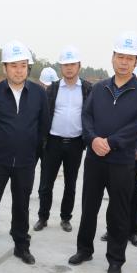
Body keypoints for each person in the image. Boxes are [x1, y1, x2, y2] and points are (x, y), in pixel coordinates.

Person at [68, 31, 137, 273]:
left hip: (122, 161)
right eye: (120, 57)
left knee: (119, 212)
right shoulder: (99, 87)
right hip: (95, 159)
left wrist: (111, 142)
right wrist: (93, 139)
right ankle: (84, 250)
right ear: (113, 57)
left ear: (136, 61)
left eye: (129, 58)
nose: (124, 62)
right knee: (89, 207)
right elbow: (86, 116)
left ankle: (115, 259)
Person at [0, 40, 49, 265]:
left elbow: (44, 126)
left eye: (23, 65)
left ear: (28, 67)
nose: (18, 70)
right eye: (13, 65)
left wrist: (30, 147)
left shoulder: (39, 93)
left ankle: (21, 246)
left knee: (22, 205)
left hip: (25, 161)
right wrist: (1, 140)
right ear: (5, 68)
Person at [34, 46, 92, 233]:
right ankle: (43, 217)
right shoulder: (53, 89)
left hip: (75, 143)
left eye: (72, 64)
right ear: (61, 67)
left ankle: (66, 218)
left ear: (79, 66)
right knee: (46, 183)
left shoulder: (87, 89)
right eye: (65, 65)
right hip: (53, 143)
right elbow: (43, 115)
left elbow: (92, 115)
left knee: (70, 184)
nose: (69, 68)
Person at [100, 61, 137, 247]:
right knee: (117, 196)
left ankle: (133, 231)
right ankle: (112, 229)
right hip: (122, 154)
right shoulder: (125, 100)